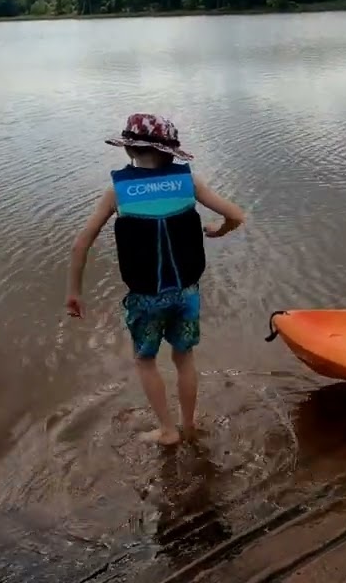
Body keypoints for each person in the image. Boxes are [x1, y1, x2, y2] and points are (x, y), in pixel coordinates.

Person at [65, 113, 245, 446]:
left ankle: (167, 430)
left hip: (146, 298)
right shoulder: (189, 182)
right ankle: (188, 425)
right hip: (186, 292)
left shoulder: (117, 192)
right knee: (184, 358)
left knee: (145, 360)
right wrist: (218, 231)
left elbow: (81, 244)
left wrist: (74, 291)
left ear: (129, 150)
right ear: (170, 153)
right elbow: (235, 215)